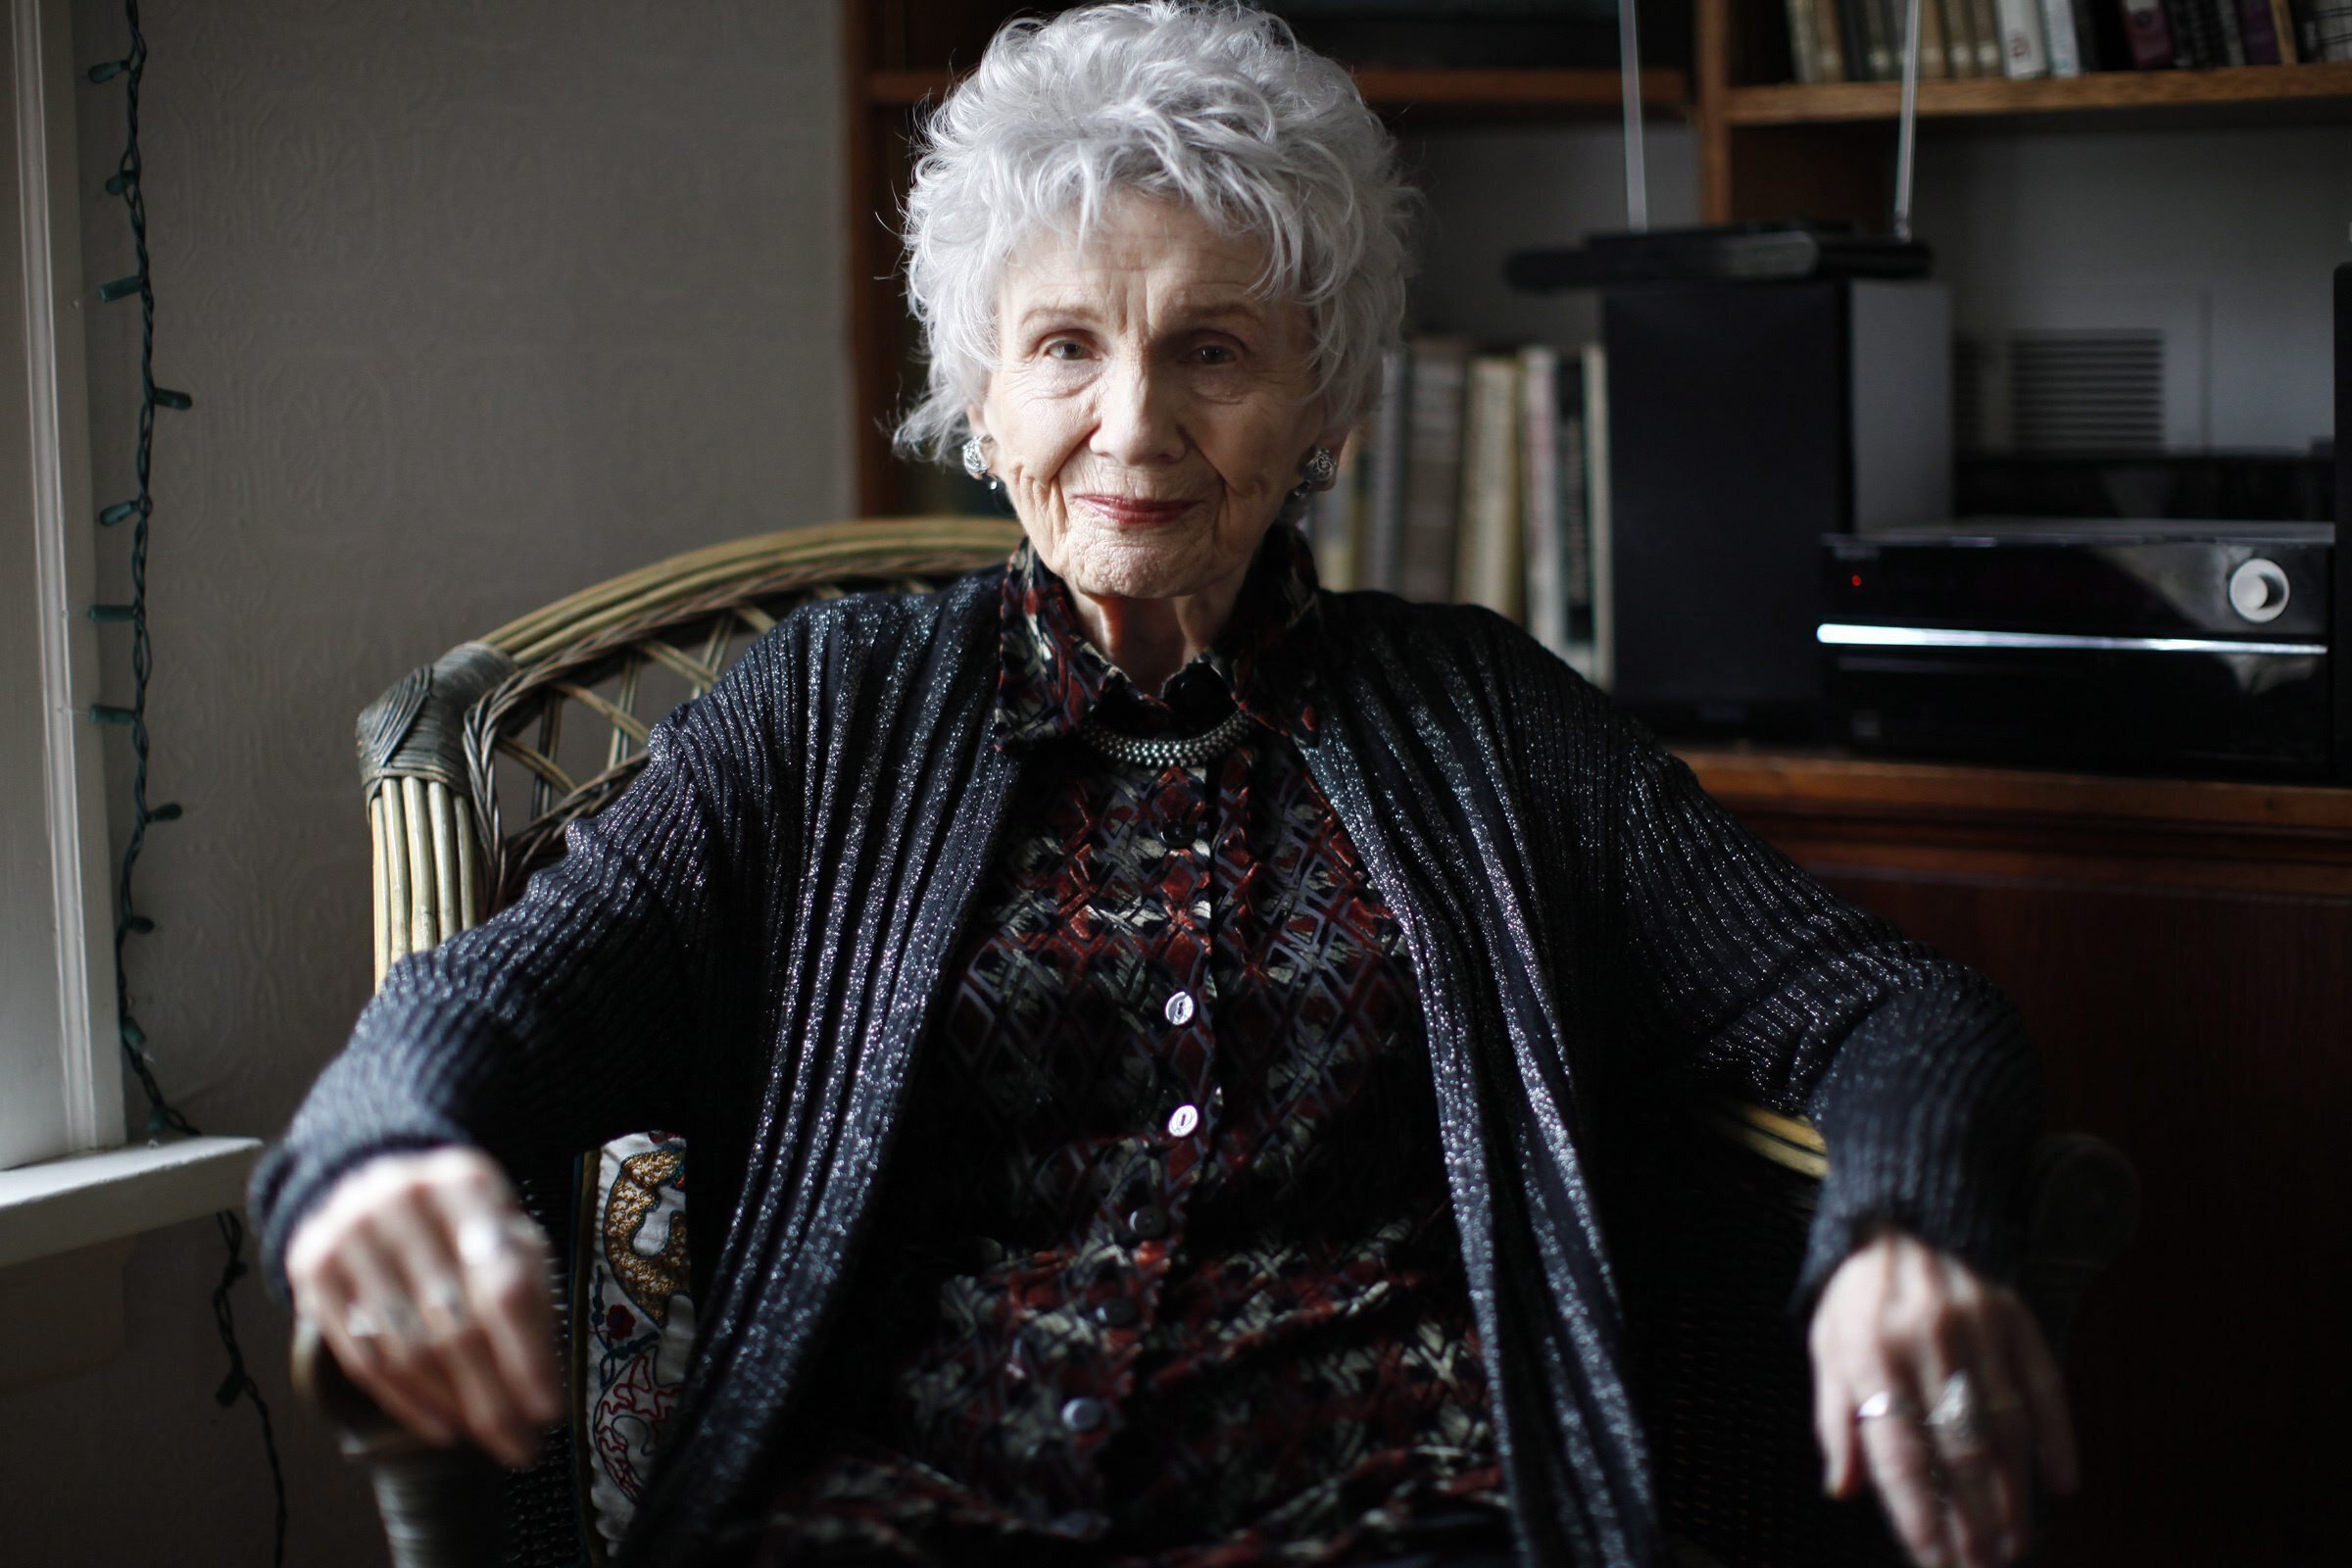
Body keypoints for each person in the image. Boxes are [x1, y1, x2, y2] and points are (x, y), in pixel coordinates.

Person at [252, 6, 2077, 1566]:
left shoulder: (1491, 725)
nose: (1131, 427)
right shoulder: (825, 721)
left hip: (1398, 1516)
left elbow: (1888, 1007)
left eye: (1213, 349)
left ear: (1329, 403)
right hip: (893, 1516)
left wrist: (1901, 1222)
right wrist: (379, 1154)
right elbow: (492, 1007)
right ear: (983, 397)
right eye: (1064, 348)